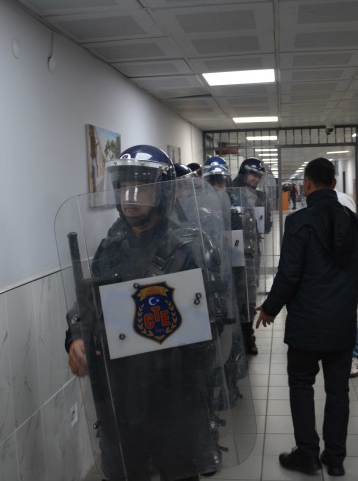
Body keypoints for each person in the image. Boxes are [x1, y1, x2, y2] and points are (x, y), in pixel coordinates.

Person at [64, 145, 234, 480]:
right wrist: (77, 338)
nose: (130, 198)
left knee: (179, 471)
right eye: (124, 187)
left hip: (177, 393)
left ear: (163, 192)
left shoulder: (192, 246)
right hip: (124, 393)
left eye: (141, 188)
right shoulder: (110, 248)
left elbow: (214, 322)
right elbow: (88, 306)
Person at [255, 158, 358, 477]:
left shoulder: (299, 222)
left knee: (301, 385)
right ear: (334, 183)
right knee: (338, 391)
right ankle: (335, 458)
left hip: (306, 322)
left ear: (306, 184)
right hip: (342, 323)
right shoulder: (357, 224)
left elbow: (289, 273)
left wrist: (270, 308)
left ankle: (307, 454)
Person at [232, 158, 272, 356]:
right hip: (231, 250)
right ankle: (232, 338)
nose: (256, 179)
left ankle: (248, 336)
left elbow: (266, 227)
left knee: (248, 294)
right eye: (253, 174)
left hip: (251, 252)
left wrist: (263, 215)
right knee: (231, 293)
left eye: (259, 176)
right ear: (243, 172)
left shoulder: (260, 197)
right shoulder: (229, 192)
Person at [336, 191, 358, 379]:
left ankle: (353, 356)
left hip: (346, 268)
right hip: (329, 270)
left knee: (348, 313)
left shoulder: (343, 200)